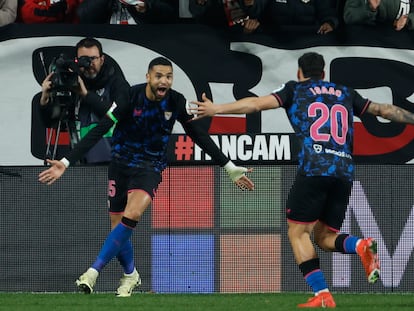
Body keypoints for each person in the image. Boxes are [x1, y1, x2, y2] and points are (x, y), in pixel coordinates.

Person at [190, 51, 414, 307]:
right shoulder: (345, 92)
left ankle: (322, 295)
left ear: (300, 72)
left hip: (314, 169)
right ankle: (362, 245)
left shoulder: (295, 90)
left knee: (298, 232)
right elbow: (384, 109)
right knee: (324, 238)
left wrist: (216, 109)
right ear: (324, 73)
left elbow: (254, 105)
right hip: (343, 172)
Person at [38, 57, 254, 297]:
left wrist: (229, 165)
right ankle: (131, 275)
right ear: (148, 77)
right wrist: (66, 162)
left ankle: (92, 272)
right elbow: (100, 129)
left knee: (132, 214)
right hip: (119, 164)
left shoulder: (176, 101)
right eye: (159, 76)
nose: (164, 81)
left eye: (169, 76)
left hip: (150, 166)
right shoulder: (129, 97)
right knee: (117, 225)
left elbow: (197, 135)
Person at [39, 37, 130, 164]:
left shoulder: (117, 83)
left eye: (93, 58)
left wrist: (86, 95)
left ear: (102, 59)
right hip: (83, 164)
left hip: (116, 163)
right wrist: (45, 99)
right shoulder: (72, 84)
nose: (89, 64)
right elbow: (52, 122)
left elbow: (120, 114)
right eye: (83, 60)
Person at [189, 0, 268, 34]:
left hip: (251, 39)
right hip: (216, 37)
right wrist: (200, 3)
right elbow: (197, 14)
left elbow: (261, 13)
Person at [262, 0, 339, 34]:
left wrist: (330, 22)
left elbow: (326, 11)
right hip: (274, 38)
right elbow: (258, 9)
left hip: (308, 39)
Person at [343, 0, 414, 31]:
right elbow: (349, 16)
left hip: (403, 42)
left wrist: (407, 19)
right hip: (376, 41)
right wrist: (370, 8)